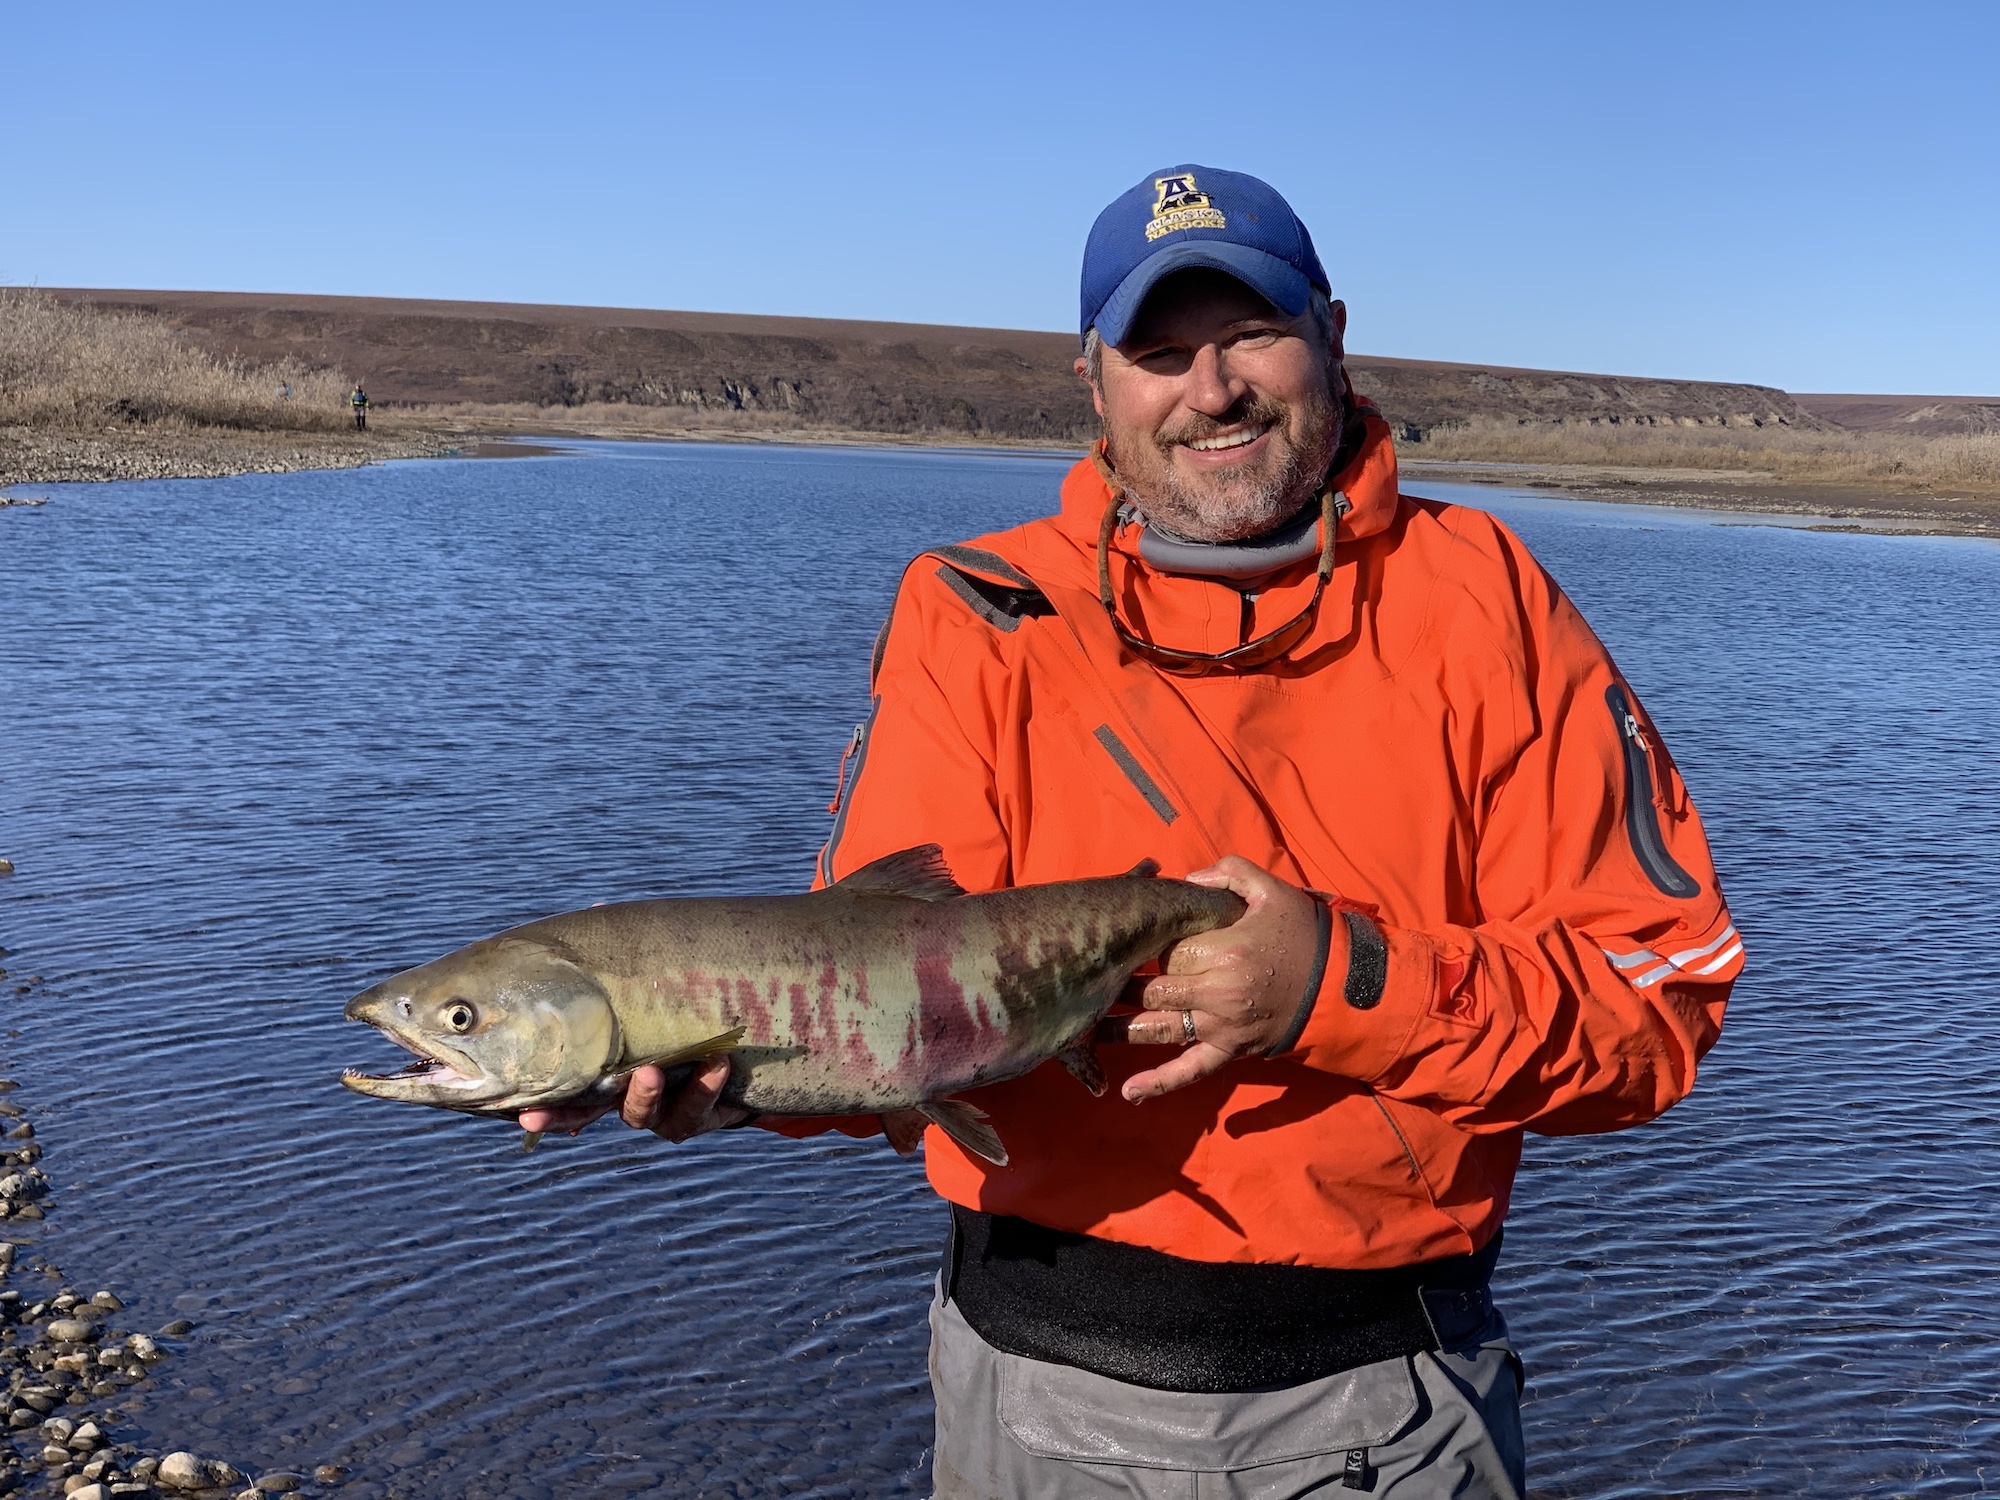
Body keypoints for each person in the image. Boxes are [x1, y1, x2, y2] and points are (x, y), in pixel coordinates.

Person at [523, 165, 1741, 1498]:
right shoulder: (978, 611)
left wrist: (1341, 985)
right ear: (1094, 382)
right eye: (1160, 351)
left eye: (1252, 334)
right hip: (1027, 1400)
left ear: (1333, 332)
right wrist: (727, 1076)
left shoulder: (1490, 604)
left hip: (1385, 1409)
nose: (1209, 390)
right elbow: (891, 1005)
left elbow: (1652, 1014)